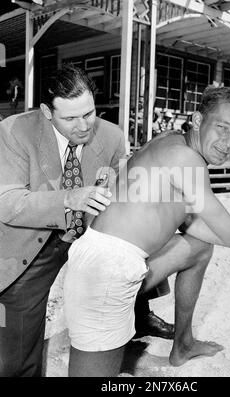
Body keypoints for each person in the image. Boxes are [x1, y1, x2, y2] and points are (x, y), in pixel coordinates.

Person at [63, 87, 230, 377]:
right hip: (106, 271)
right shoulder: (187, 160)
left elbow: (192, 225)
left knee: (199, 247)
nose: (229, 142)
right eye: (222, 128)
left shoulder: (170, 142)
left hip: (109, 260)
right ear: (198, 120)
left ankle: (182, 344)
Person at [0, 64, 172, 377]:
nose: (83, 126)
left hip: (89, 234)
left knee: (139, 242)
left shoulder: (112, 136)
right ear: (46, 112)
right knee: (13, 356)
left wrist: (116, 182)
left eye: (89, 113)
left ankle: (140, 309)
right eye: (70, 118)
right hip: (33, 240)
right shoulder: (14, 131)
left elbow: (130, 193)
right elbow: (7, 203)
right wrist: (69, 198)